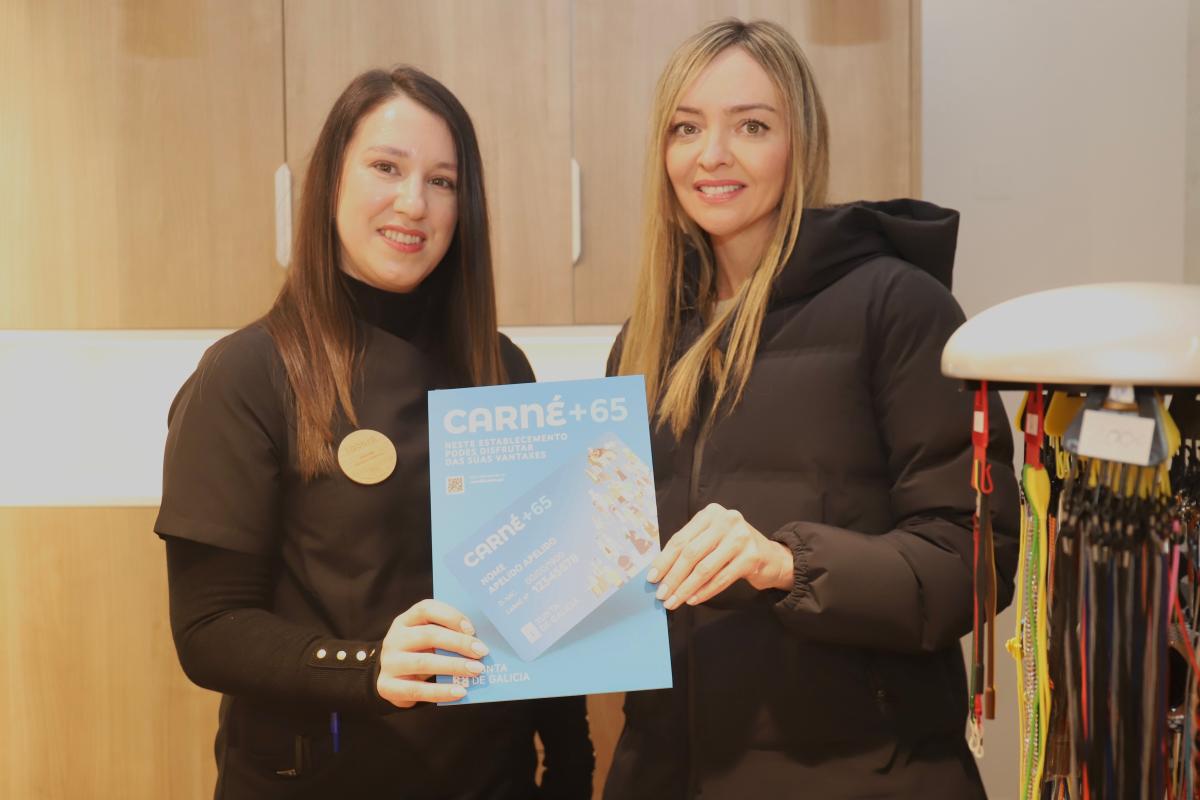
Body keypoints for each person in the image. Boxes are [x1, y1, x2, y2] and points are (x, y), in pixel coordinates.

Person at [604, 19, 1020, 799]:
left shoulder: (898, 306)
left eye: (751, 126)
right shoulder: (646, 338)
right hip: (670, 771)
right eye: (686, 128)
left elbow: (976, 560)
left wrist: (787, 564)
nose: (712, 155)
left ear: (801, 143)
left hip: (861, 774)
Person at [155, 66, 593, 799]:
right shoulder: (247, 373)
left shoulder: (499, 367)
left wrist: (571, 770)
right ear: (331, 181)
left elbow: (542, 606)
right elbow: (210, 628)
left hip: (491, 779)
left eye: (443, 181)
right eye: (386, 168)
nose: (413, 202)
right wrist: (367, 668)